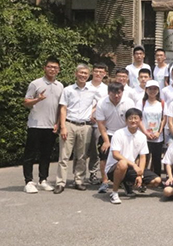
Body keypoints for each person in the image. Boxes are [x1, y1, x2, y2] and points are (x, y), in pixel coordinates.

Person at [54, 64, 98, 194]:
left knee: (82, 156)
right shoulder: (68, 90)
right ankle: (60, 182)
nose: (83, 75)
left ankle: (79, 180)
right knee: (64, 155)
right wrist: (62, 126)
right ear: (76, 74)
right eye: (81, 73)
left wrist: (92, 112)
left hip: (85, 126)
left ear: (88, 75)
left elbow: (100, 103)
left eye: (85, 73)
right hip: (69, 124)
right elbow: (63, 108)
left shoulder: (93, 91)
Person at [23, 57, 64, 193]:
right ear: (44, 68)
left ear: (58, 70)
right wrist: (37, 99)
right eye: (50, 67)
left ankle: (43, 180)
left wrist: (58, 123)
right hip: (35, 125)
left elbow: (61, 107)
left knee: (46, 155)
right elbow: (26, 102)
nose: (52, 69)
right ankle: (28, 181)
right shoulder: (35, 84)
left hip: (51, 126)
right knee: (30, 154)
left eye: (55, 67)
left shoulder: (60, 86)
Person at [104, 108, 162, 204]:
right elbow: (115, 154)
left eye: (136, 118)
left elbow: (143, 157)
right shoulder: (118, 134)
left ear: (140, 120)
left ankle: (128, 184)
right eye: (130, 118)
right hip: (114, 168)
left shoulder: (142, 136)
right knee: (123, 163)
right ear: (126, 120)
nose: (133, 121)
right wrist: (134, 165)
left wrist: (140, 174)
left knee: (157, 180)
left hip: (130, 168)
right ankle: (114, 193)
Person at [95, 82, 136, 194]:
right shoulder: (102, 103)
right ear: (108, 92)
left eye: (119, 93)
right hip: (108, 132)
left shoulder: (129, 102)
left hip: (124, 133)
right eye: (113, 93)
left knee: (127, 158)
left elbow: (132, 120)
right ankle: (105, 181)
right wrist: (106, 141)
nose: (116, 96)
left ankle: (126, 182)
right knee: (104, 155)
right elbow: (101, 124)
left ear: (122, 92)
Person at [86, 63, 109, 185]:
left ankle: (93, 173)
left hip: (98, 124)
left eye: (101, 72)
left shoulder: (106, 89)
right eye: (96, 71)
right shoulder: (85, 85)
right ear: (92, 72)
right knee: (82, 151)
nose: (98, 74)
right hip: (84, 122)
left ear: (105, 74)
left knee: (96, 150)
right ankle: (78, 176)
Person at [137, 80, 165, 178]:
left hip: (157, 137)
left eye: (155, 89)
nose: (152, 91)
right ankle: (141, 178)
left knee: (157, 159)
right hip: (144, 136)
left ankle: (156, 179)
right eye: (150, 89)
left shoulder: (162, 103)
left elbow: (163, 119)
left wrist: (159, 132)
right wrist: (145, 133)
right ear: (146, 90)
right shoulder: (141, 102)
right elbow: (138, 119)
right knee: (143, 158)